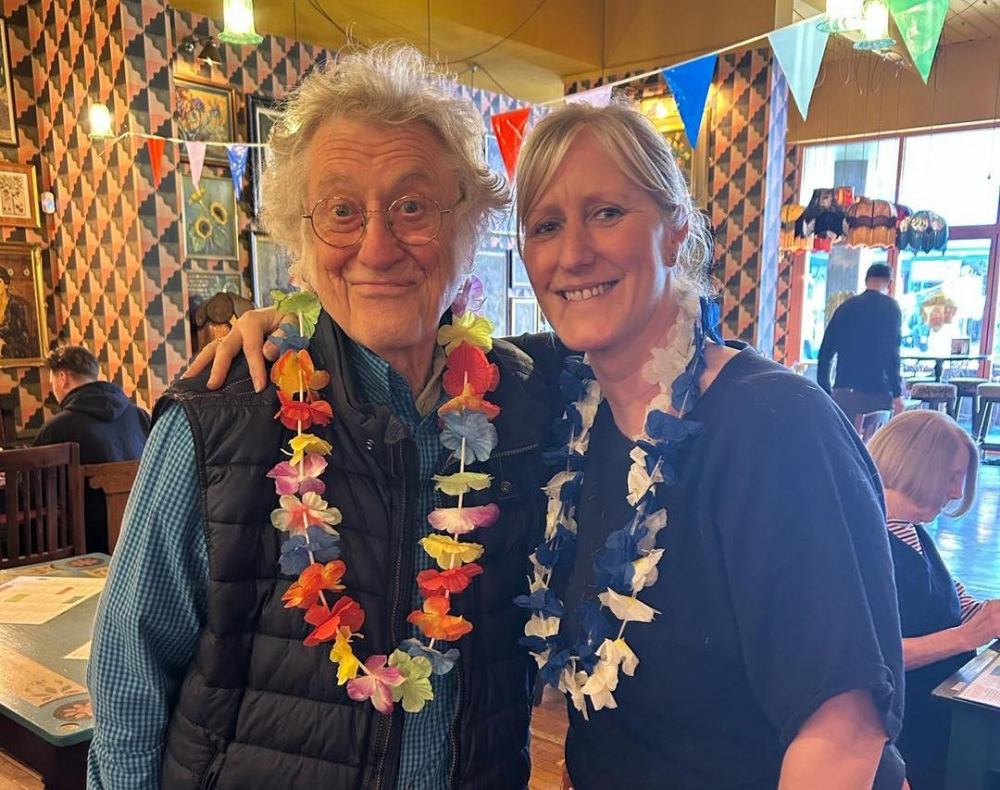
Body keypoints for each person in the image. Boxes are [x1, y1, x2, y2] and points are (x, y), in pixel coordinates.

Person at [210, 102, 908, 789]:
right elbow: (397, 334)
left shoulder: (776, 425)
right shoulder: (552, 397)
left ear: (675, 229)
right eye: (547, 224)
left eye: (607, 212)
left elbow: (842, 736)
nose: (574, 253)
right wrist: (296, 327)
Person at [86, 44, 553, 790]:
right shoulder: (221, 420)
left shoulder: (527, 404)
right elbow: (126, 681)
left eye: (411, 205)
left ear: (468, 223)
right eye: (342, 211)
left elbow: (639, 349)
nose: (376, 243)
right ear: (302, 239)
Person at [868, 410, 1000, 790]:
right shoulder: (864, 540)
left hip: (942, 713)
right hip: (907, 730)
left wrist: (986, 615)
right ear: (917, 464)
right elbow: (873, 657)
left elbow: (955, 601)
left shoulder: (913, 531)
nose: (957, 492)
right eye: (952, 477)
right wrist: (965, 637)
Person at [34, 345, 150, 553]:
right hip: (142, 538)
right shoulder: (142, 417)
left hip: (86, 547)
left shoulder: (56, 430)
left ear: (63, 377)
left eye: (51, 381)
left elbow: (37, 495)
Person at [817, 262, 904, 424]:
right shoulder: (891, 308)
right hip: (877, 393)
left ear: (866, 281)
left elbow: (825, 352)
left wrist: (825, 389)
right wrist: (897, 392)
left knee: (844, 443)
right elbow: (891, 353)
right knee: (874, 445)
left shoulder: (845, 307)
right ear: (890, 283)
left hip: (844, 393)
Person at [0, 268, 32, 358]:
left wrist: (4, 346)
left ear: (6, 285)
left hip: (13, 348)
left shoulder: (16, 305)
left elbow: (22, 336)